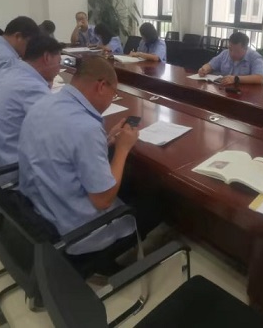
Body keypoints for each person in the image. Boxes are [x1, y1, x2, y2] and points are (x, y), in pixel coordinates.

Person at [18, 56, 159, 257]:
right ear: (101, 86)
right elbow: (103, 201)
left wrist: (107, 140)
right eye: (114, 93)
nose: (112, 99)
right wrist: (122, 148)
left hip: (42, 211)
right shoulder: (86, 128)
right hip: (78, 233)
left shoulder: (43, 103)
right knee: (158, 201)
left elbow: (66, 151)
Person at [0, 35, 61, 184]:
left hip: (0, 160)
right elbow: (60, 133)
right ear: (47, 57)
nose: (59, 69)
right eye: (59, 62)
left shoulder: (9, 71)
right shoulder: (32, 87)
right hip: (17, 172)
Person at [198, 32, 263, 85]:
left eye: (236, 51)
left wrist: (235, 79)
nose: (232, 54)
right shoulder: (225, 53)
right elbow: (210, 65)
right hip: (224, 91)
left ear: (245, 49)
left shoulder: (255, 57)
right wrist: (204, 69)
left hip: (245, 94)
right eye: (230, 49)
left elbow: (260, 78)